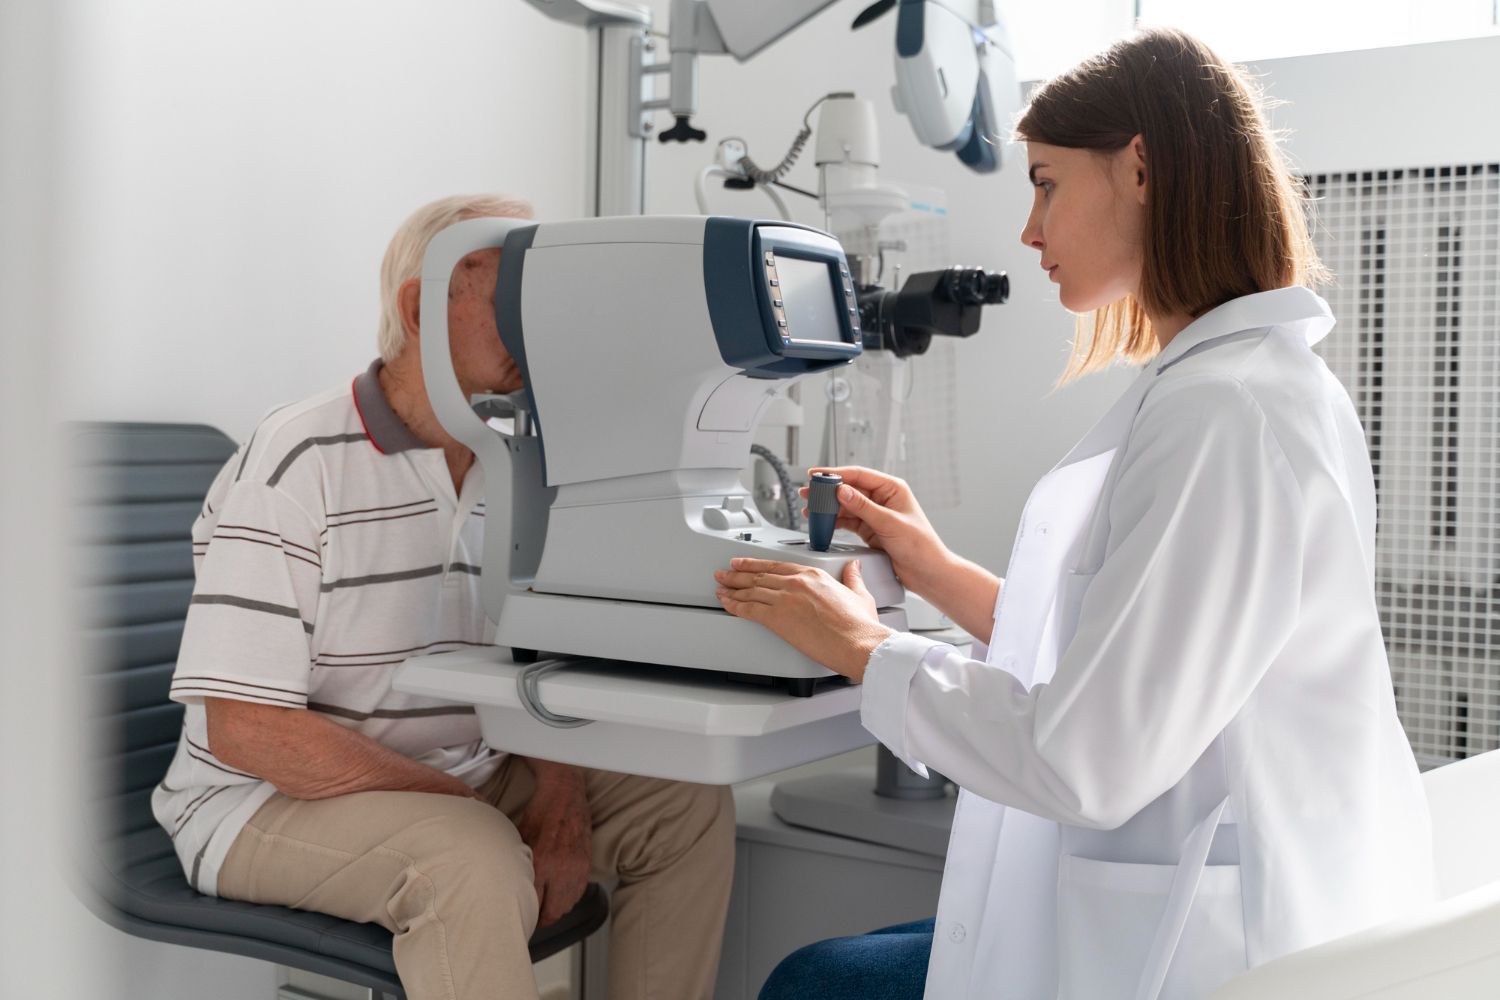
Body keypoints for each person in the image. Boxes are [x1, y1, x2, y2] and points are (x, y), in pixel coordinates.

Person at [716, 28, 1434, 1000]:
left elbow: (1085, 757)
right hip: (1186, 889)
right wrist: (936, 571)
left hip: (1205, 947)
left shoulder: (1227, 414)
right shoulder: (1241, 387)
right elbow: (1142, 644)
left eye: (1046, 183)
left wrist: (862, 648)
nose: (1027, 227)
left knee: (812, 984)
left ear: (1139, 167)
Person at [151, 193, 735, 1000]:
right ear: (420, 308)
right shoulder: (297, 458)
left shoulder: (522, 460)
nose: (545, 331)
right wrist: (472, 806)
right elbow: (248, 730)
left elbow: (536, 661)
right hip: (260, 801)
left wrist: (559, 793)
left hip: (460, 773)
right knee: (468, 857)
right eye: (515, 302)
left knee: (686, 806)